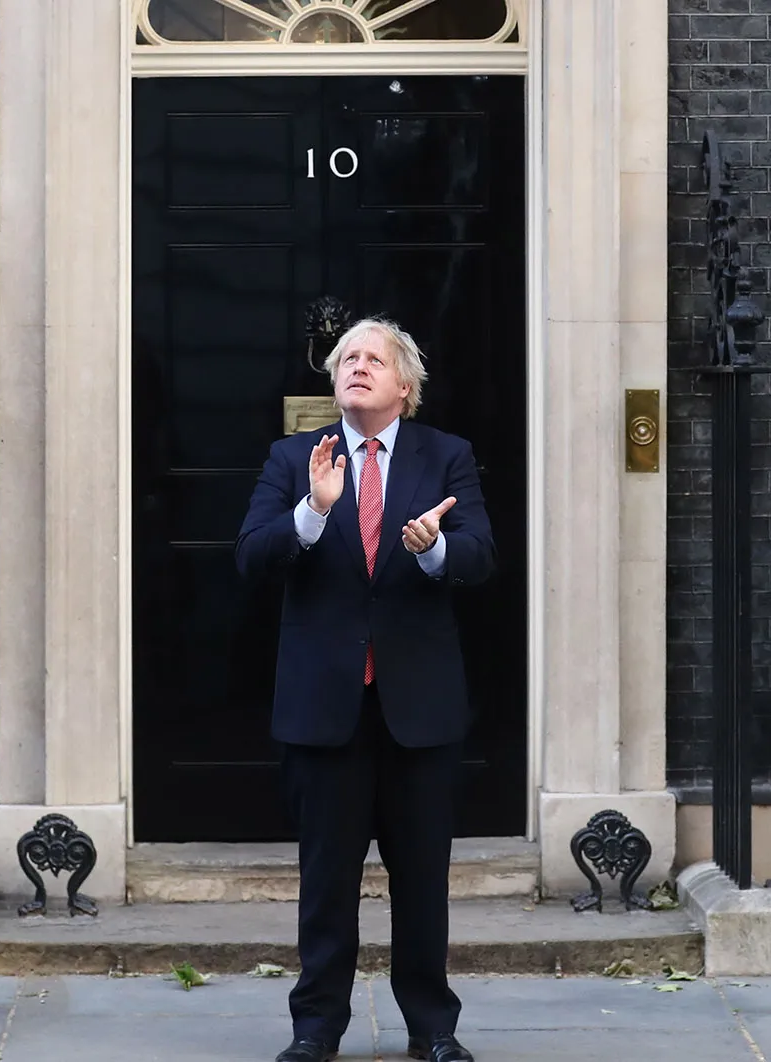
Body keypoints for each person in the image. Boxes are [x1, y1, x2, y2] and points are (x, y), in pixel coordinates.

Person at [236, 317, 495, 1062]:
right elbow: (252, 556)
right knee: (326, 884)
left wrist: (435, 546)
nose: (356, 366)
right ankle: (316, 1030)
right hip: (325, 711)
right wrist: (313, 511)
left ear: (403, 385)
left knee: (422, 882)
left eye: (373, 359)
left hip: (419, 709)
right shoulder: (295, 459)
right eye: (347, 357)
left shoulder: (448, 457)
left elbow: (481, 555)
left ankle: (432, 1030)